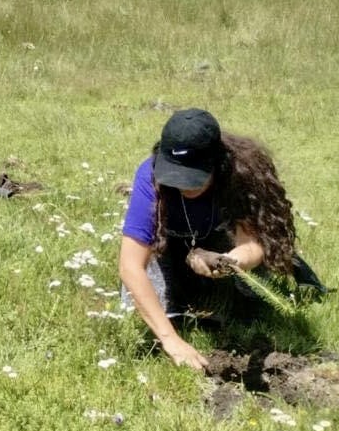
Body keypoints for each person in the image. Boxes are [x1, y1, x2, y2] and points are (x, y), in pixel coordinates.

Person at [119, 108, 324, 371]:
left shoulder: (241, 175)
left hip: (220, 241)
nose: (184, 186)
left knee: (249, 304)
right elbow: (130, 265)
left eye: (194, 178)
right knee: (140, 302)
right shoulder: (149, 176)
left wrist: (228, 261)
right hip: (169, 243)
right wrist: (171, 341)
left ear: (217, 163)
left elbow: (252, 244)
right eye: (176, 176)